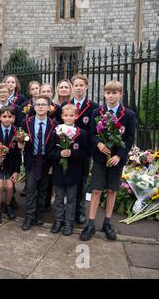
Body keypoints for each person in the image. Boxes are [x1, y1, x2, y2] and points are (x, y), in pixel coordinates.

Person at [80, 80, 136, 241]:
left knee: (112, 190)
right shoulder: (97, 112)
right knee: (96, 190)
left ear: (120, 94)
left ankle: (107, 223)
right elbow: (91, 133)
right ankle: (90, 224)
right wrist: (99, 143)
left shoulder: (129, 115)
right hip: (99, 158)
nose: (111, 96)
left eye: (115, 93)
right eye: (108, 93)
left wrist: (119, 155)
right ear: (104, 94)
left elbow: (129, 138)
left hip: (116, 160)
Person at [47, 104, 88, 236]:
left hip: (74, 172)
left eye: (72, 115)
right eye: (66, 115)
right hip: (59, 171)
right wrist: (60, 154)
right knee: (59, 197)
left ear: (76, 116)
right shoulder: (56, 132)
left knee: (71, 198)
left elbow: (84, 153)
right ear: (62, 116)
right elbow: (50, 152)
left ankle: (69, 222)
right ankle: (58, 220)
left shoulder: (81, 134)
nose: (69, 118)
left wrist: (71, 153)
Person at [67, 75, 100, 225]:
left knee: (82, 180)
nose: (79, 88)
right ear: (73, 87)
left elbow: (94, 131)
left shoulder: (93, 107)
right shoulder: (66, 105)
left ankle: (80, 210)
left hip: (85, 151)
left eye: (81, 85)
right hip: (68, 151)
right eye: (76, 85)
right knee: (70, 180)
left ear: (86, 87)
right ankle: (69, 209)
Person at [19, 95, 55, 231]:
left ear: (48, 107)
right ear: (34, 107)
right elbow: (21, 139)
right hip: (32, 159)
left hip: (46, 160)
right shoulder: (26, 122)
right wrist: (20, 142)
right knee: (31, 188)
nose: (40, 107)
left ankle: (39, 214)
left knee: (43, 188)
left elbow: (54, 145)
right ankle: (29, 216)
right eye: (38, 104)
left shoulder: (54, 125)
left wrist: (52, 164)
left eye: (43, 104)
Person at [0, 106, 21, 224]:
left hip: (12, 165)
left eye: (9, 117)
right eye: (4, 116)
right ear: (0, 117)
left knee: (9, 186)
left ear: (13, 118)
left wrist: (16, 171)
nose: (7, 119)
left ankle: (7, 206)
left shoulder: (17, 132)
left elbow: (18, 154)